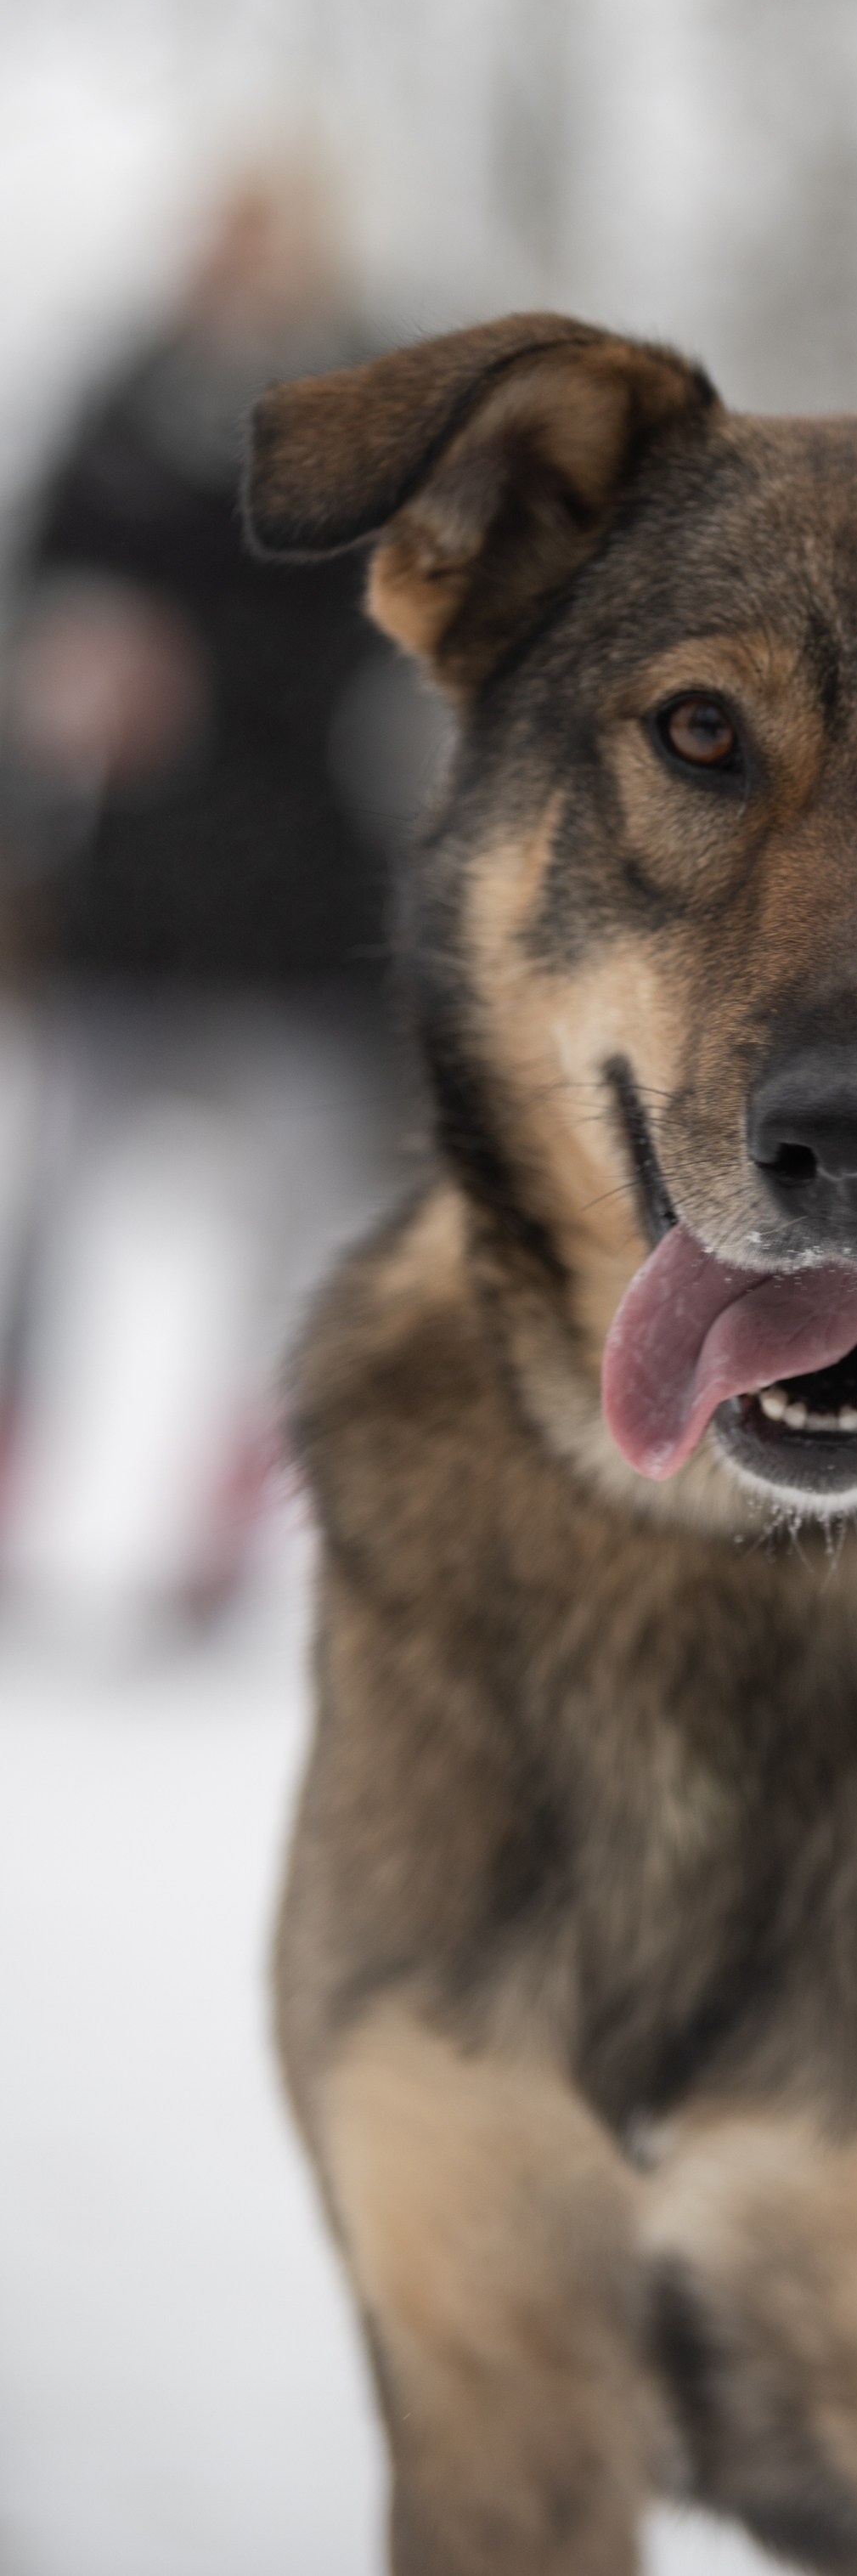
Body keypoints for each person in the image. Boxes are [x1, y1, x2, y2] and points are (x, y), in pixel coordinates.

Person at [0, 170, 434, 1654]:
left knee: (302, 1242)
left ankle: (231, 1521)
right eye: (217, 229)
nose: (232, 258)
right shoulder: (116, 405)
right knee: (50, 1221)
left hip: (301, 920)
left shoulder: (375, 416)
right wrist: (63, 675)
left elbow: (399, 629)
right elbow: (41, 591)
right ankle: (21, 1490)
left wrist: (201, 677)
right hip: (127, 913)